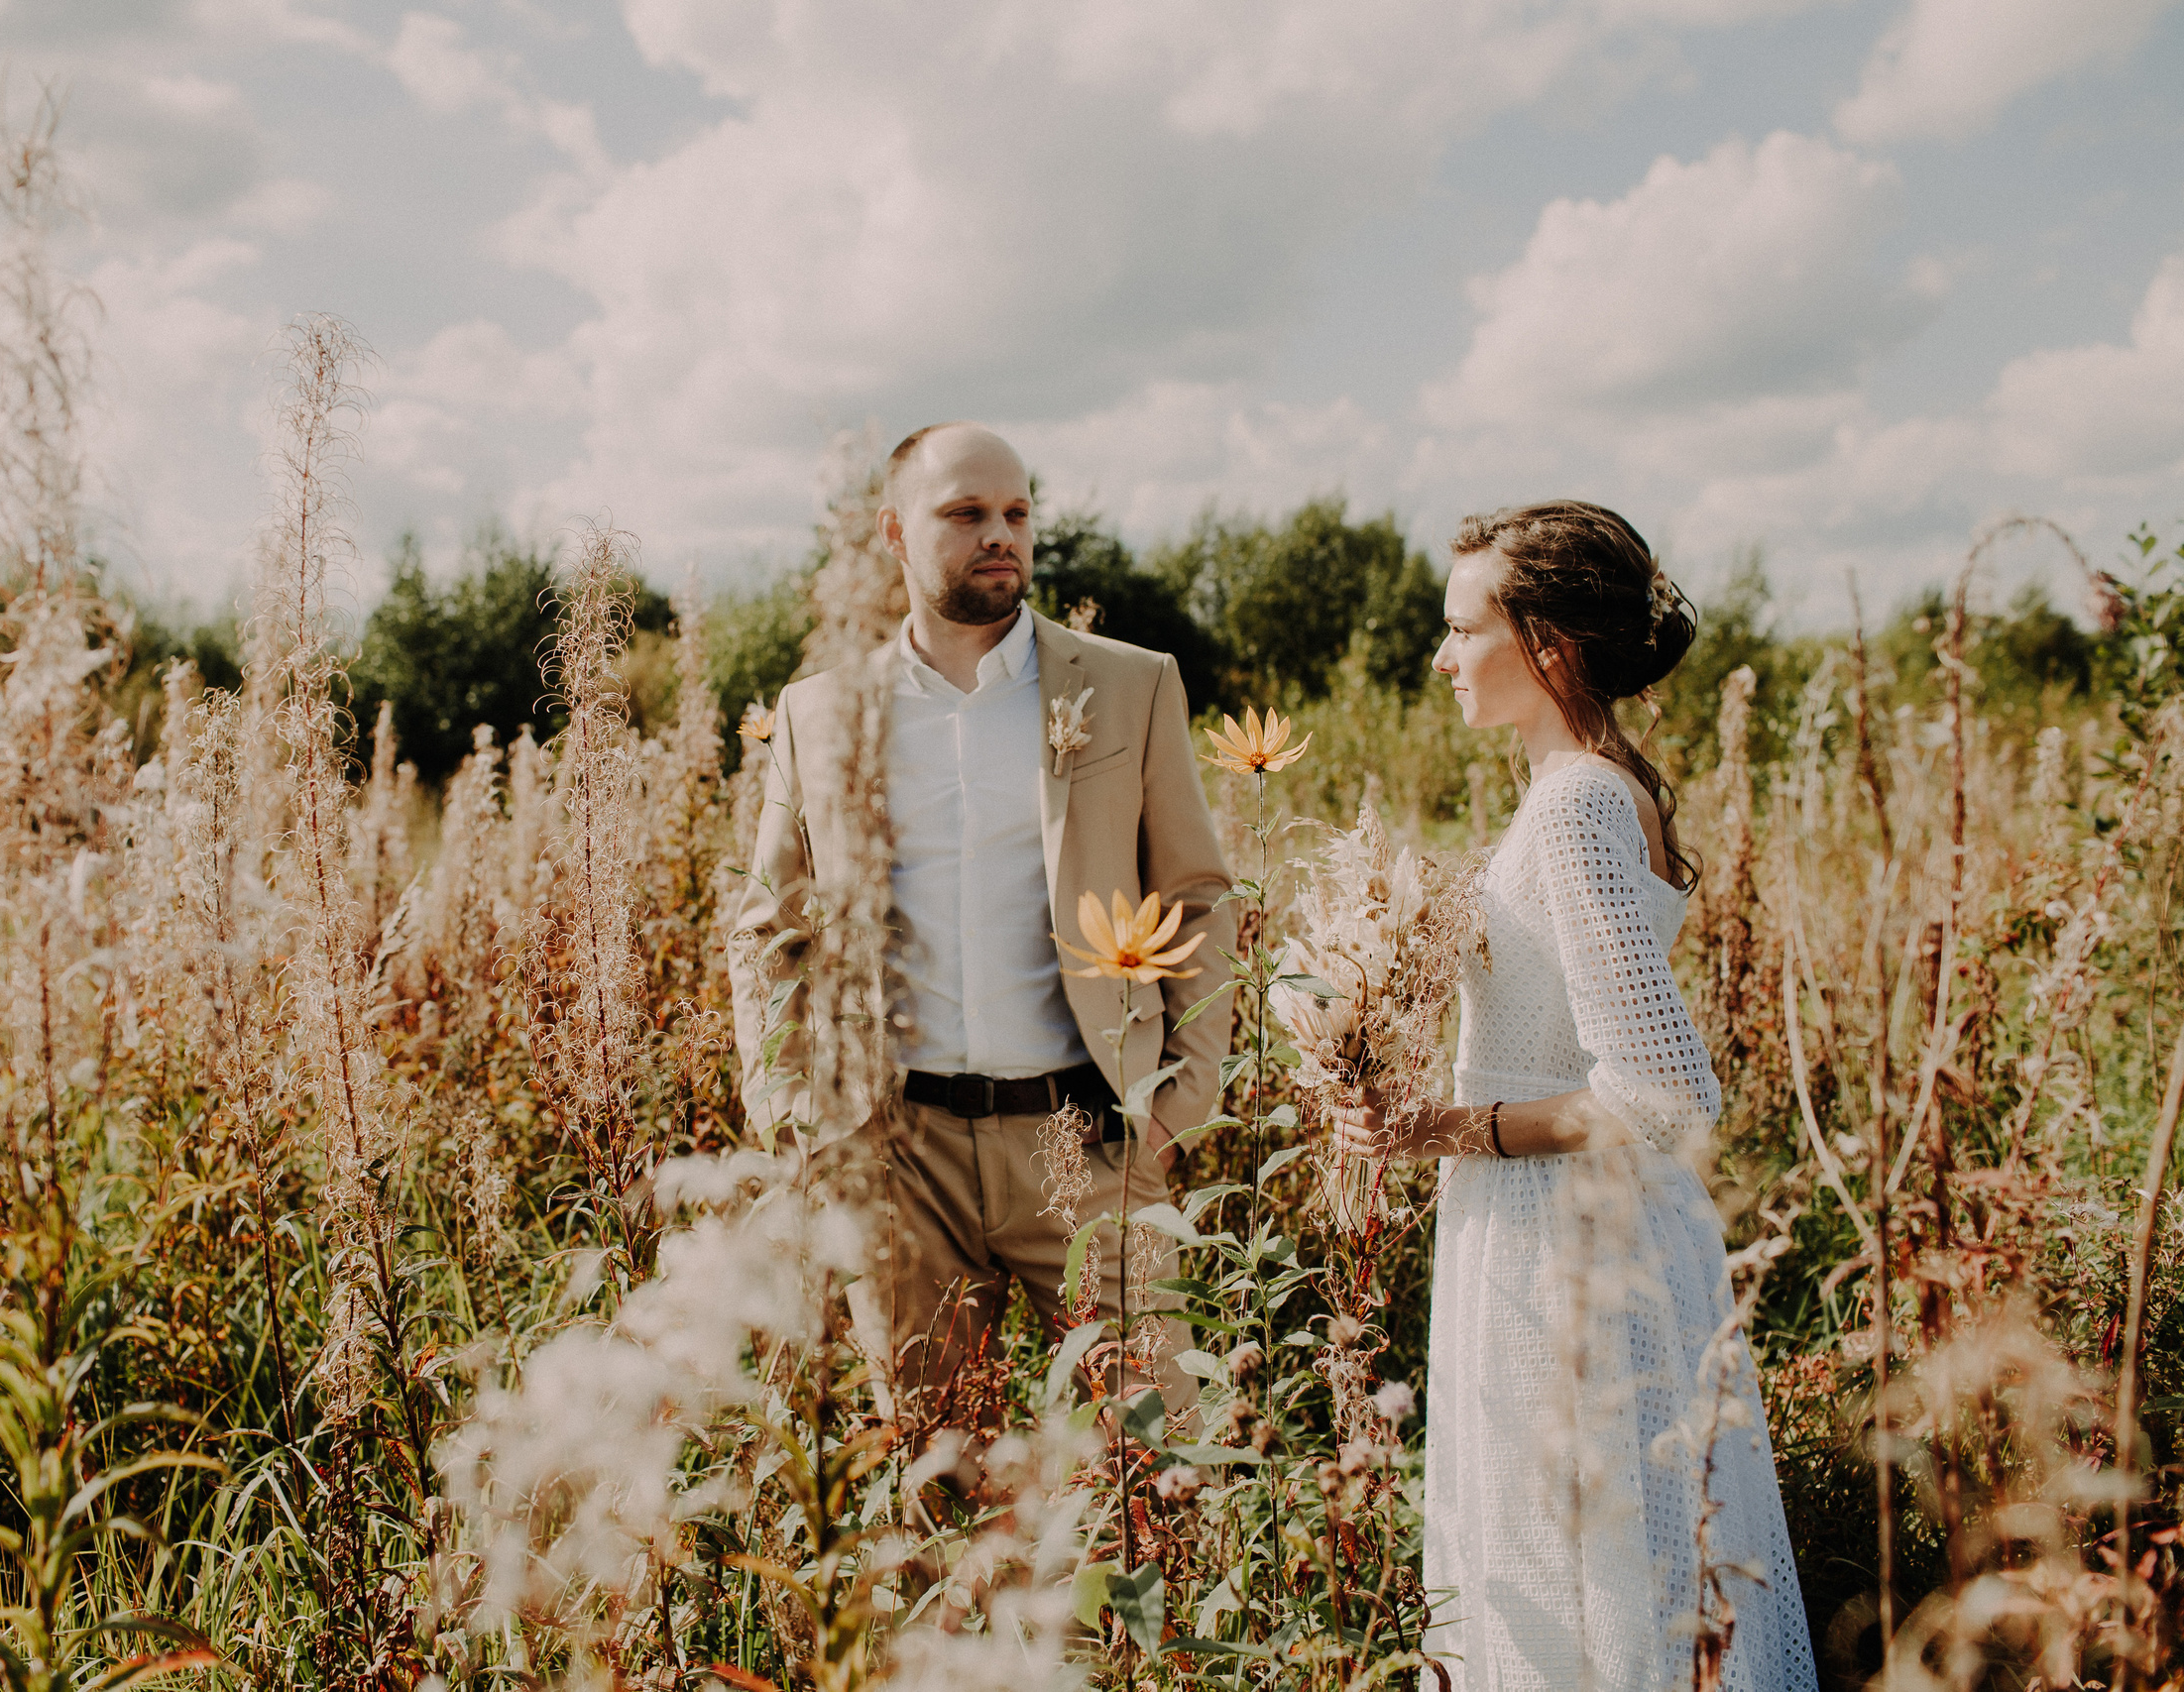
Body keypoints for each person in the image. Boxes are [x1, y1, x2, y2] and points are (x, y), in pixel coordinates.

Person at [1333, 502, 1815, 1691]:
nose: (1442, 659)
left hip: (1571, 1243)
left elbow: (1658, 1092)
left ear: (1546, 642)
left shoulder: (1576, 804)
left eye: (1461, 629)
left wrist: (1438, 1128)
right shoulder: (1581, 785)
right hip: (1551, 1224)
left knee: (1598, 1573)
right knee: (1590, 1563)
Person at [726, 421, 1235, 1419]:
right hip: (898, 1153)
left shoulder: (1130, 685)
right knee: (938, 1469)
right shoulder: (818, 714)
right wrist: (794, 1118)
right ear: (893, 533)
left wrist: (1181, 1101)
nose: (998, 534)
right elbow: (769, 928)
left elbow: (1197, 895)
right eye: (963, 514)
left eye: (1014, 513)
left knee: (1162, 1449)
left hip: (1086, 1138)